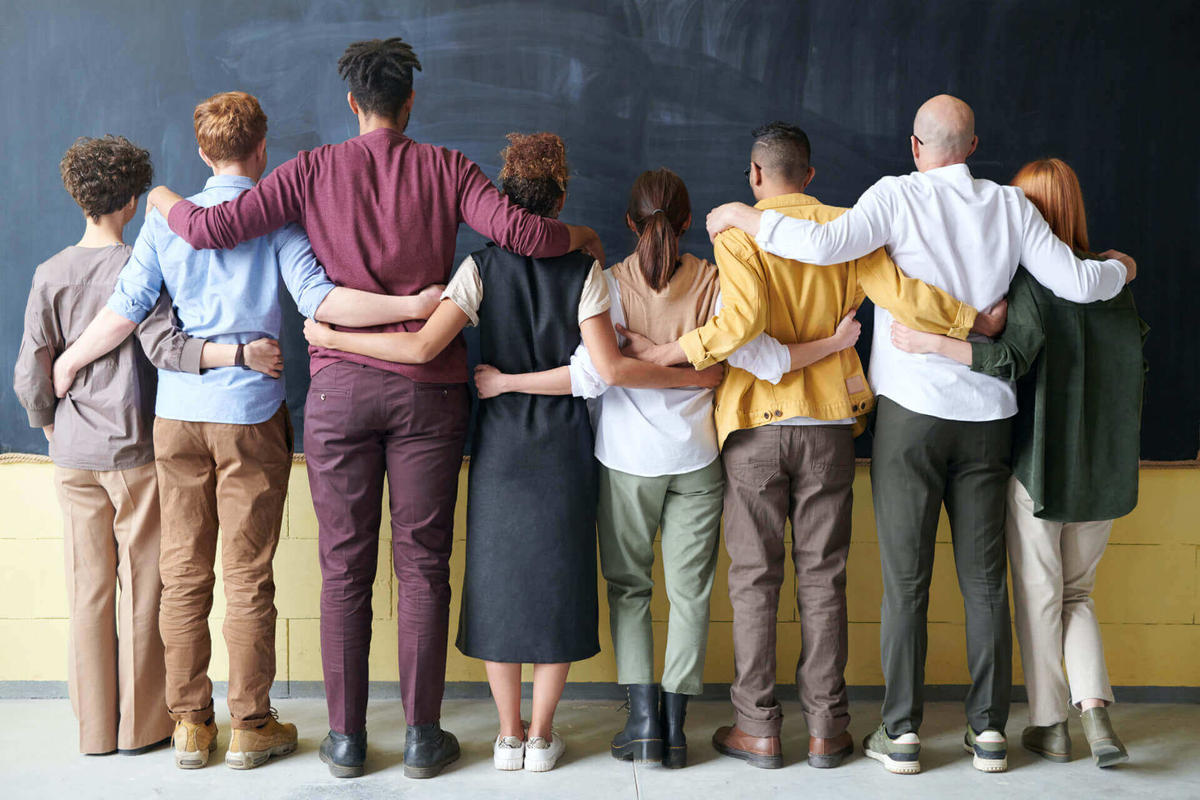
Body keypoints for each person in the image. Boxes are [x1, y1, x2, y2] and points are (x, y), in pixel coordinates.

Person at [144, 39, 604, 780]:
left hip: (338, 392)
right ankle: (424, 738)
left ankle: (347, 741)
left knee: (343, 568)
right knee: (424, 567)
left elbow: (210, 229)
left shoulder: (311, 169)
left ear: (352, 105)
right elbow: (520, 234)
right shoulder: (448, 168)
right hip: (428, 395)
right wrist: (580, 236)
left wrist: (165, 197)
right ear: (410, 103)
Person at [705, 95, 1137, 775]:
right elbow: (1082, 284)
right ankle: (989, 732)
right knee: (984, 582)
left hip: (909, 413)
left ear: (915, 146)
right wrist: (1123, 268)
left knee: (906, 583)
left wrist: (739, 216)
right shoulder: (1010, 206)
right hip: (989, 418)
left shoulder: (894, 197)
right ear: (971, 146)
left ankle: (901, 733)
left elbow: (818, 243)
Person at [304, 133, 721, 773]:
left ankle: (506, 735)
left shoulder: (478, 268)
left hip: (498, 445)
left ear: (502, 200)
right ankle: (543, 735)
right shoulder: (584, 270)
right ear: (560, 198)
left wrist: (332, 335)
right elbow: (604, 367)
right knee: (557, 583)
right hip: (562, 446)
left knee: (498, 584)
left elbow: (419, 350)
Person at [52, 93, 440, 771]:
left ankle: (189, 727)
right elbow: (321, 300)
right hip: (251, 414)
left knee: (181, 572)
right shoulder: (279, 223)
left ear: (204, 152)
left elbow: (123, 312)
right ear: (262, 150)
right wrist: (411, 308)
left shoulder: (165, 226)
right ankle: (251, 724)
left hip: (176, 414)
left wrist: (69, 360)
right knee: (247, 574)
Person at [610, 123, 995, 771]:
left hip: (755, 425)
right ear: (809, 175)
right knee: (824, 579)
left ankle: (757, 729)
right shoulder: (848, 225)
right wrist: (970, 321)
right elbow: (900, 296)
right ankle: (827, 730)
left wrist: (670, 353)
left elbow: (741, 324)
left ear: (756, 175)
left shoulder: (736, 233)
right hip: (828, 422)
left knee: (753, 580)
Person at [473, 167, 803, 769]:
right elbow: (730, 364)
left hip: (625, 460)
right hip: (698, 456)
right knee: (691, 593)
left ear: (629, 222)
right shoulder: (713, 279)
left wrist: (638, 356)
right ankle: (675, 730)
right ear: (686, 220)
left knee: (630, 590)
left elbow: (591, 374)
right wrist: (695, 374)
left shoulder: (607, 281)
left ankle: (645, 723)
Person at [13, 135, 276, 757]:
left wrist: (48, 421)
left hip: (72, 452)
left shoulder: (49, 273)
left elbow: (32, 369)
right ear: (132, 201)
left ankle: (94, 730)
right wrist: (233, 356)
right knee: (147, 586)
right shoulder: (143, 261)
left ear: (78, 197)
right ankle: (143, 727)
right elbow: (165, 346)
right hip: (133, 450)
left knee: (87, 589)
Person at [890, 158, 1144, 769]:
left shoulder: (1031, 287)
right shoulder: (1114, 285)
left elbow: (1010, 359)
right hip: (1105, 475)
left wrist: (934, 343)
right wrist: (1124, 264)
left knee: (1039, 599)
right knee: (1079, 595)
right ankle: (1096, 712)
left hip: (1038, 469)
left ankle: (1052, 725)